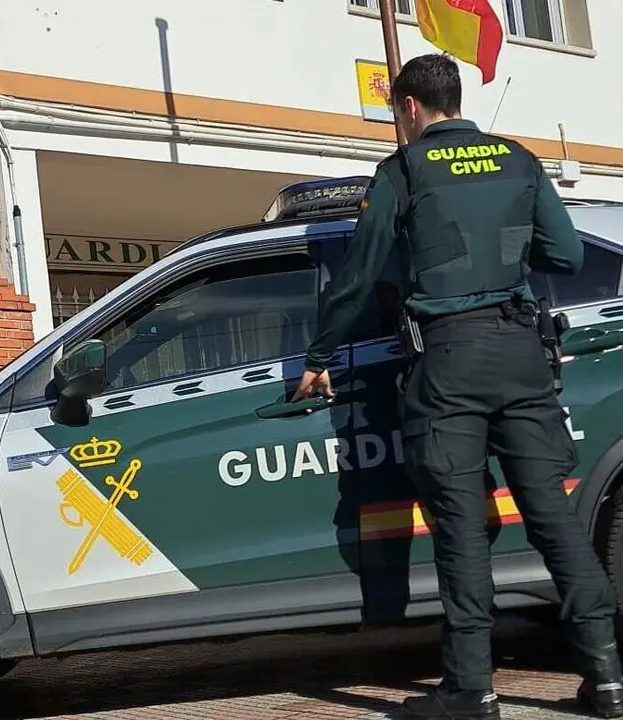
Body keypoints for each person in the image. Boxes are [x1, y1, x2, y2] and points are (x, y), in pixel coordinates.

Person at [292, 53, 623, 720]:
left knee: (463, 528)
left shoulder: (404, 170)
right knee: (553, 520)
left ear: (410, 107)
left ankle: (472, 690)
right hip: (524, 354)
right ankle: (608, 679)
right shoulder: (520, 160)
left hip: (446, 364)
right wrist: (497, 260)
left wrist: (319, 355)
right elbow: (566, 255)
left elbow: (356, 276)